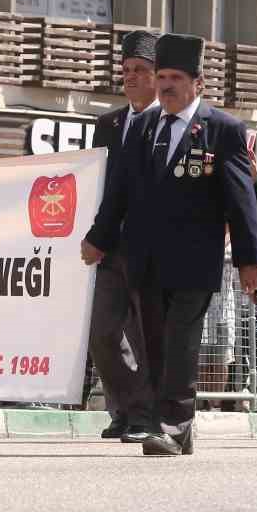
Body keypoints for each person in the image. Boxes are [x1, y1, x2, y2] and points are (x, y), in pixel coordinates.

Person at [83, 32, 257, 457]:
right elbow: (120, 193)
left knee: (181, 342)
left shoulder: (222, 130)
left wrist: (250, 259)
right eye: (160, 76)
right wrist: (99, 238)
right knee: (153, 345)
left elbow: (242, 201)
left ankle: (174, 422)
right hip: (144, 261)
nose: (165, 85)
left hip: (193, 261)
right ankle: (162, 422)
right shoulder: (143, 127)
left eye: (174, 77)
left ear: (197, 83)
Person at [89, 30, 157, 441]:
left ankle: (145, 415)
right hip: (111, 247)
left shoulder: (167, 124)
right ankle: (127, 404)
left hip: (151, 250)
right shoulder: (108, 124)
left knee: (147, 338)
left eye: (141, 70)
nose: (131, 77)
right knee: (101, 333)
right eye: (127, 70)